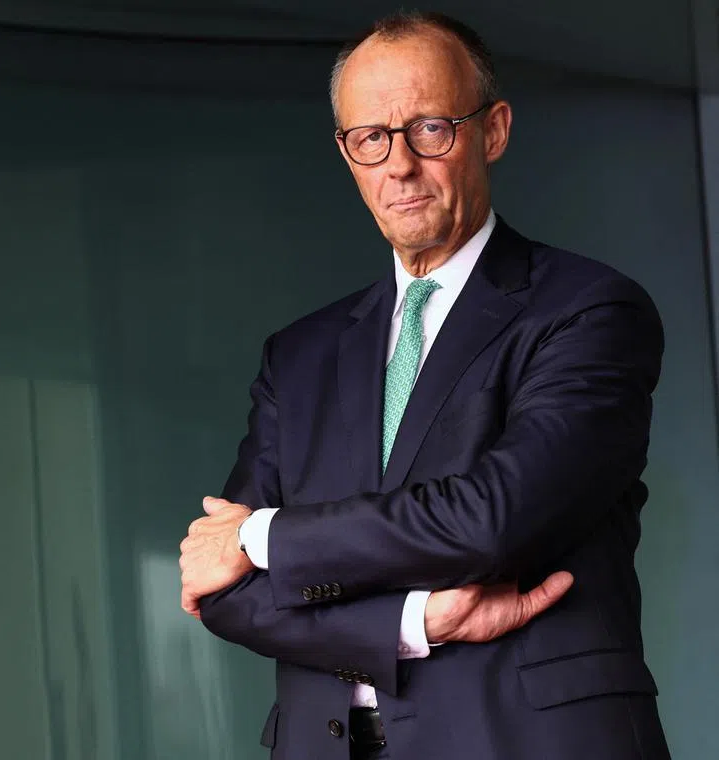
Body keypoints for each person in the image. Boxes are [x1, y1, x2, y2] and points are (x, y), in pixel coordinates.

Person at [177, 11, 670, 760]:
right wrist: (414, 624)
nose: (398, 164)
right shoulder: (299, 354)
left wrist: (259, 535)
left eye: (430, 128)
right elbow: (228, 596)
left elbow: (491, 518)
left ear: (493, 131)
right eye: (369, 138)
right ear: (348, 153)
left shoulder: (589, 311)